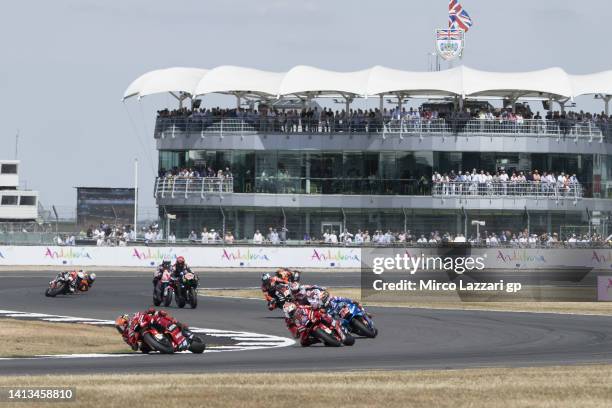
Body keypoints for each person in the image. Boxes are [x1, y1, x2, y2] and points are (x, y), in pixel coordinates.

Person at [115, 308, 192, 352]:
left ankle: (179, 324)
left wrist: (148, 312)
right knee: (143, 349)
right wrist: (133, 344)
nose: (122, 328)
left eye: (122, 326)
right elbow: (135, 348)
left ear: (126, 321)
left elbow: (143, 314)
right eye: (119, 328)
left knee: (159, 315)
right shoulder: (125, 336)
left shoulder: (134, 318)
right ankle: (163, 345)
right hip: (144, 339)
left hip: (147, 326)